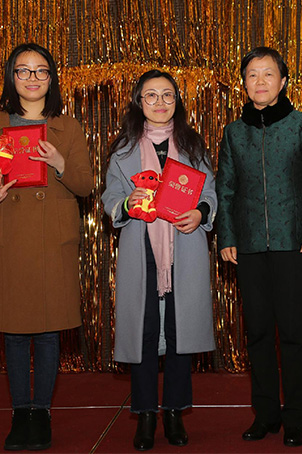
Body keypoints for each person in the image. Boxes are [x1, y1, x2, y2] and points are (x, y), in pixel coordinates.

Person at [0, 43, 94, 450]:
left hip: (52, 239)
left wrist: (59, 164)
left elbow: (86, 185)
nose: (32, 78)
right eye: (23, 70)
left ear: (51, 79)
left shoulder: (68, 127)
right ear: (12, 77)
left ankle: (42, 412)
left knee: (49, 331)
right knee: (15, 333)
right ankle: (21, 413)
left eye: (41, 70)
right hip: (10, 235)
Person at [216, 47, 302, 448]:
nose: (260, 81)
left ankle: (296, 417)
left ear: (283, 81)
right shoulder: (234, 132)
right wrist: (227, 236)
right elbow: (225, 189)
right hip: (248, 245)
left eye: (268, 74)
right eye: (252, 74)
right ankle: (266, 414)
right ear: (244, 84)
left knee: (293, 333)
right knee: (258, 332)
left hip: (293, 243)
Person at [101, 70, 217, 451]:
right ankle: (146, 414)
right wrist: (126, 203)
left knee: (180, 333)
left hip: (184, 247)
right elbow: (109, 197)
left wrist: (201, 212)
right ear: (139, 102)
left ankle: (175, 412)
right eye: (150, 95)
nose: (160, 102)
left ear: (177, 101)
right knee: (145, 332)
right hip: (142, 250)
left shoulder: (193, 146)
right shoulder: (123, 150)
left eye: (168, 95)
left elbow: (210, 192)